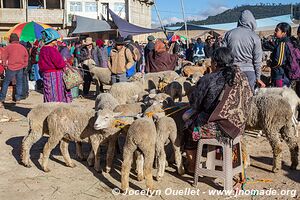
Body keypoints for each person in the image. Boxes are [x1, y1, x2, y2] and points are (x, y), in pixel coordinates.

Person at [183, 47, 252, 173]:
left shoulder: (209, 79)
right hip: (238, 126)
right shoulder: (241, 77)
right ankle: (222, 159)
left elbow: (195, 103)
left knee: (190, 129)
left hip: (220, 130)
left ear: (214, 63)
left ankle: (192, 167)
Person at [222, 10, 265, 90]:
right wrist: (258, 77)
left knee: (232, 97)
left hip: (232, 71)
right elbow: (257, 60)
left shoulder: (229, 34)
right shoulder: (255, 37)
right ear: (252, 21)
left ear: (239, 21)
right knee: (248, 98)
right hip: (249, 72)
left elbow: (223, 55)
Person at [38, 28, 71, 103]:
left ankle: (48, 109)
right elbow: (59, 64)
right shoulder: (52, 50)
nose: (57, 41)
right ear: (51, 40)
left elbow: (41, 63)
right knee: (56, 95)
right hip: (55, 76)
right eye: (55, 40)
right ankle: (56, 111)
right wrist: (64, 62)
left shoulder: (42, 49)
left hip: (46, 75)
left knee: (48, 93)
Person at [0, 33, 28, 106]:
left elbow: (3, 57)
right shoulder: (22, 47)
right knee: (19, 83)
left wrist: (4, 65)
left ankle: (2, 98)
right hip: (20, 67)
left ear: (11, 39)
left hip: (11, 67)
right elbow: (26, 57)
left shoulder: (8, 47)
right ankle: (18, 98)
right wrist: (24, 65)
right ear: (17, 39)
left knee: (6, 83)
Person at [270, 23, 292, 87]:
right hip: (285, 75)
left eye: (277, 30)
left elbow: (279, 62)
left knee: (279, 94)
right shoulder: (290, 42)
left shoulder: (282, 44)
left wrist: (272, 65)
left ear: (284, 32)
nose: (275, 31)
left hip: (280, 75)